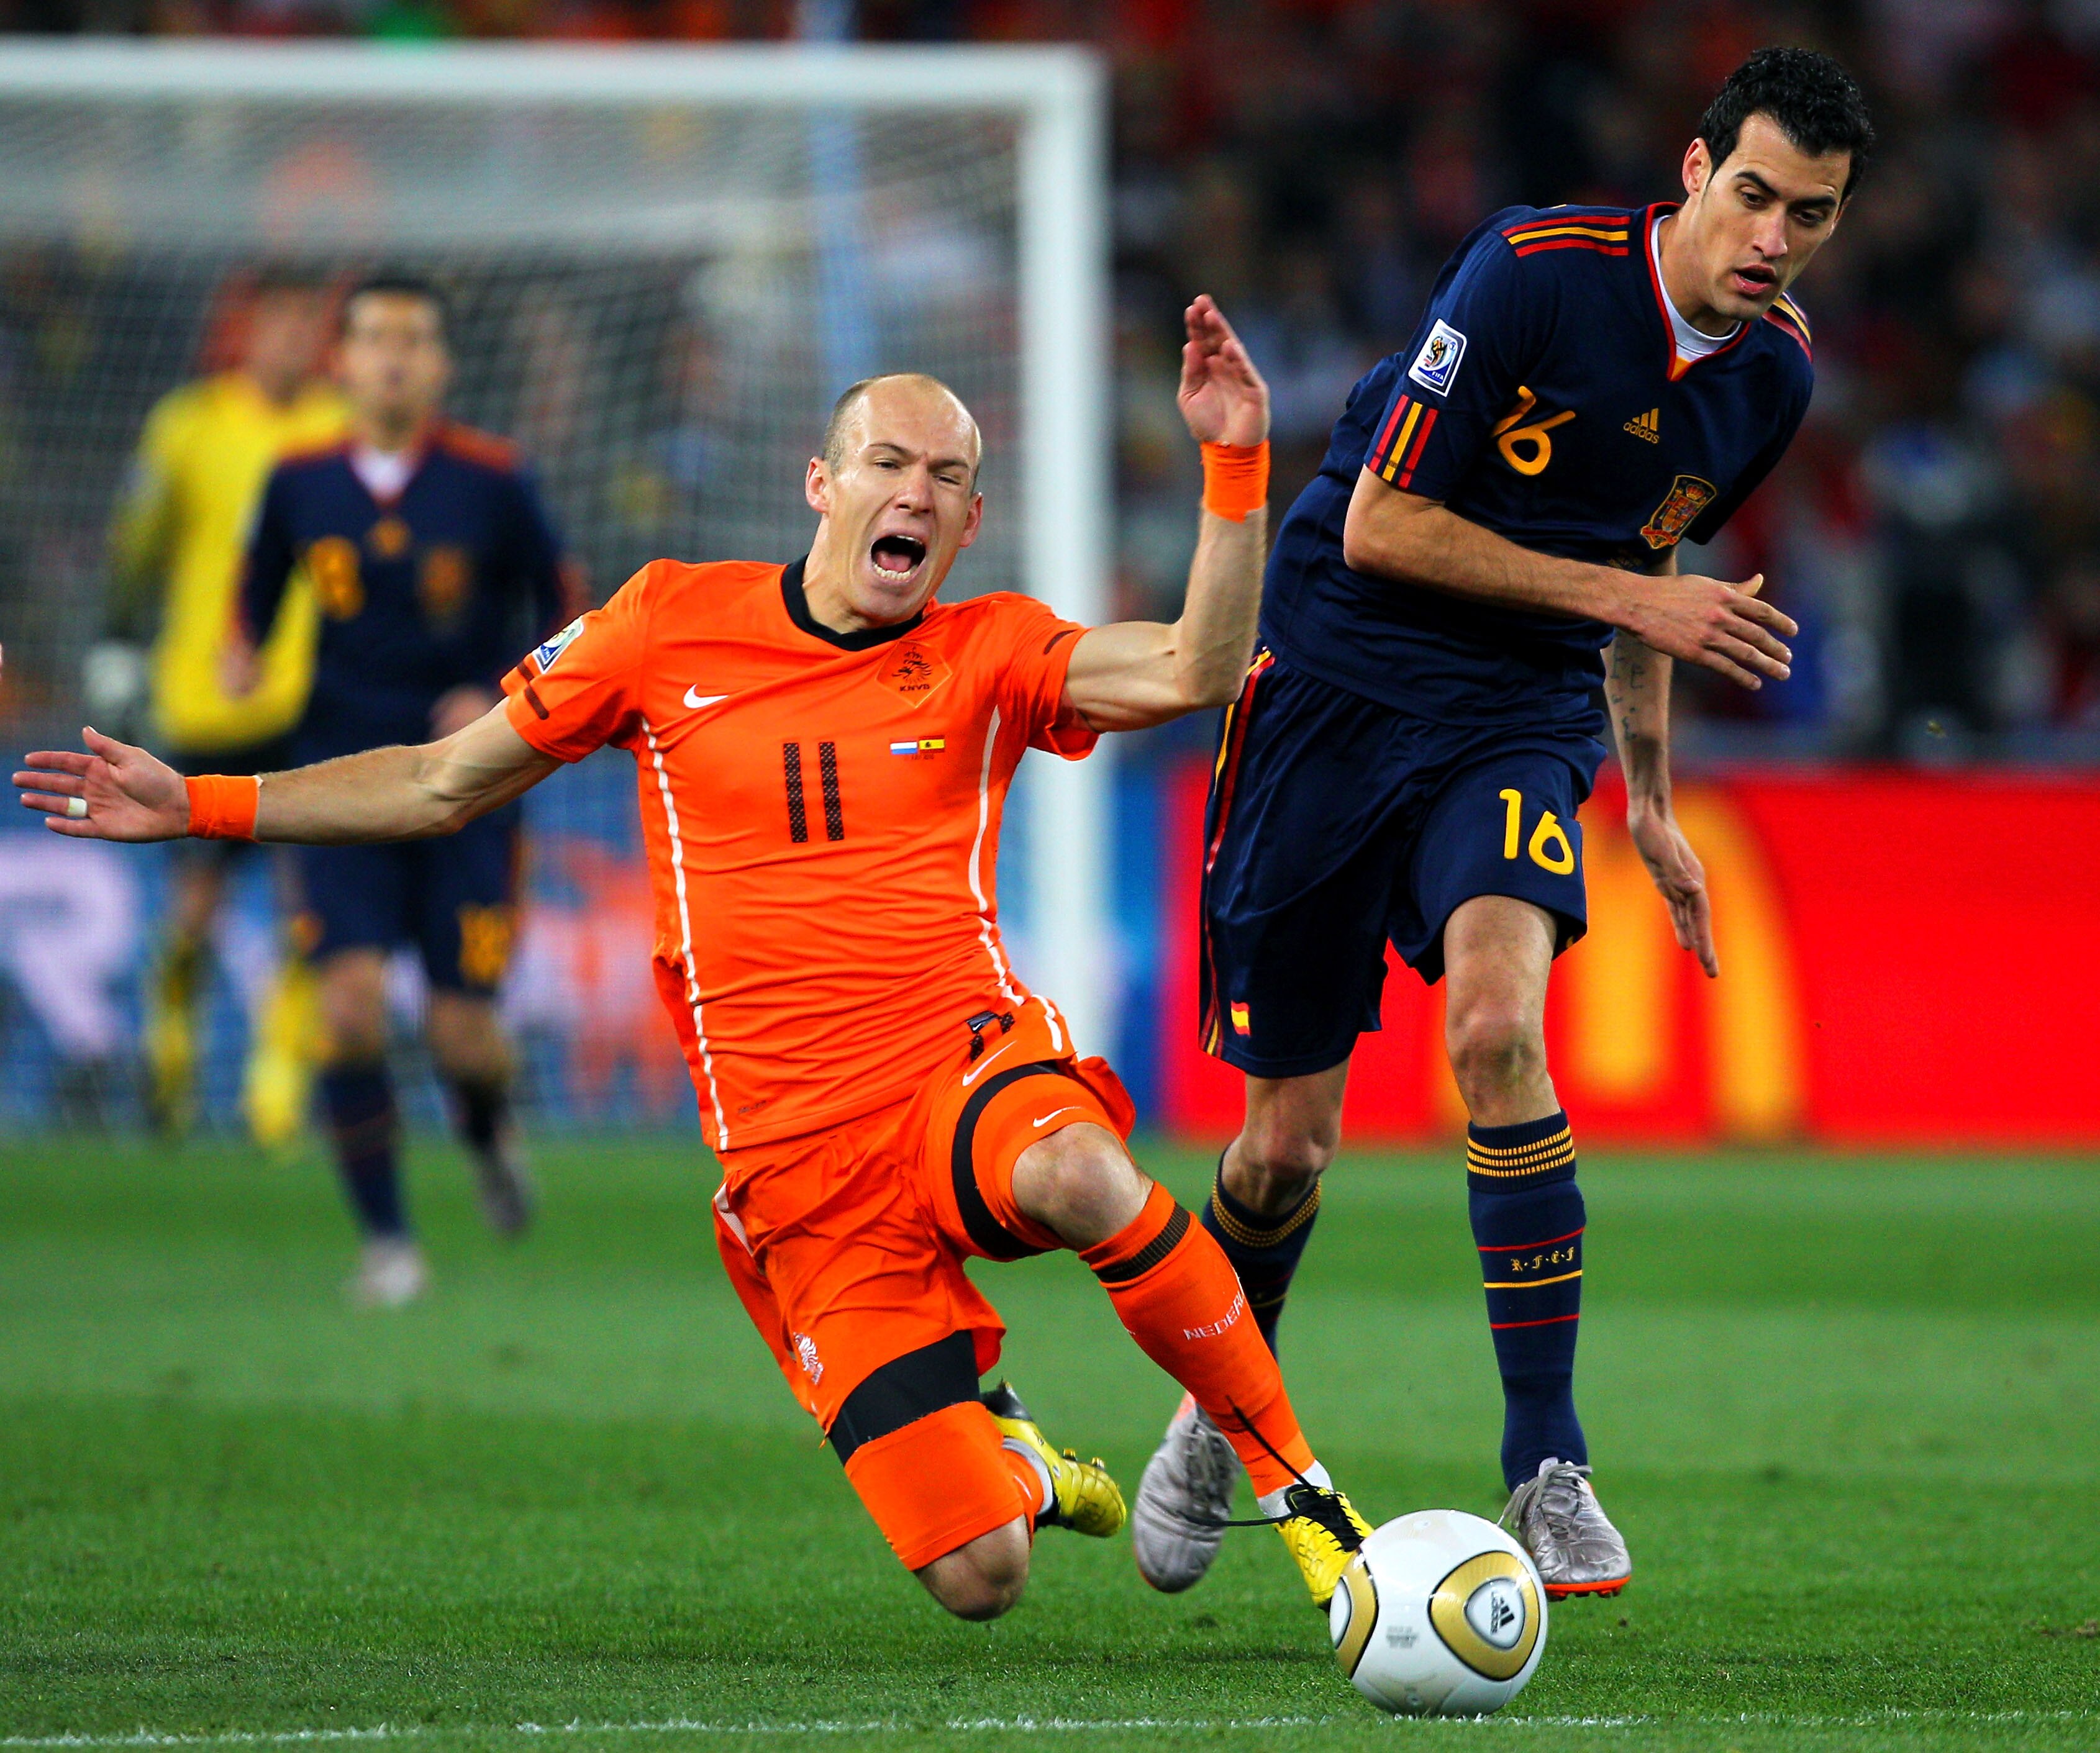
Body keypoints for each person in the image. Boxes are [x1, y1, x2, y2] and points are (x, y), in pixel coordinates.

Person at [17, 298, 1375, 1624]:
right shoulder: (666, 625)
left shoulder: (989, 648)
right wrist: (200, 802)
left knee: (1078, 1173)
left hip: (957, 1067)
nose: (915, 492)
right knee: (979, 1573)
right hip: (797, 1166)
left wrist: (1233, 462)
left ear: (967, 523)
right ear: (820, 484)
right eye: (888, 461)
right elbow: (439, 781)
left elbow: (1196, 667)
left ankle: (1306, 1502)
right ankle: (1019, 1462)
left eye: (948, 477)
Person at [1129, 48, 1875, 1600]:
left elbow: (1648, 576)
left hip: (1516, 713)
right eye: (1751, 195)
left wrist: (1650, 801)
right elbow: (1381, 521)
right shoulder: (1531, 271)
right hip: (1332, 678)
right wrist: (1626, 597)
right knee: (1283, 1142)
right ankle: (1222, 1405)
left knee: (1493, 1032)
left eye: (1807, 215)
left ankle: (1546, 1462)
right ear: (1693, 168)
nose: (1771, 239)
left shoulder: (1771, 378)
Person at [229, 272, 582, 1307]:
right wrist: (240, 656)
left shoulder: (494, 479)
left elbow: (567, 612)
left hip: (468, 779)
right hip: (340, 780)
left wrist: (501, 690)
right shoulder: (297, 481)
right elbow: (253, 600)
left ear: (442, 363)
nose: (394, 355)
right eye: (376, 336)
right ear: (339, 360)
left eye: (414, 338)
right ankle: (388, 1242)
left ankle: (487, 1128)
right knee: (346, 1009)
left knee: (461, 1031)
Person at [99, 266, 347, 1142]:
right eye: (277, 319)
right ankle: (170, 1050)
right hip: (202, 698)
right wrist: (117, 644)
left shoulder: (338, 427)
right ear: (246, 328)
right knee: (196, 906)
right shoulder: (189, 425)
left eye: (306, 321)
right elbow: (136, 547)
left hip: (308, 697)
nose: (291, 336)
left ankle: (275, 1089)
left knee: (306, 899)